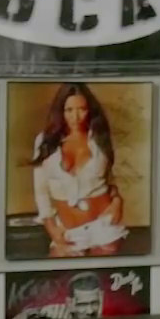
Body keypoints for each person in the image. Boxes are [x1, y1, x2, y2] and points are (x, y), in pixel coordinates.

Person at [30, 83, 127, 257]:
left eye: (82, 109)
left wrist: (117, 201)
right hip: (67, 230)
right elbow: (41, 191)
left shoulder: (99, 138)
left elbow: (110, 178)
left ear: (90, 110)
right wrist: (51, 228)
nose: (76, 117)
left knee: (105, 274)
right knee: (60, 272)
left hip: (104, 226)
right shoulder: (45, 141)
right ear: (60, 111)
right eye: (69, 110)